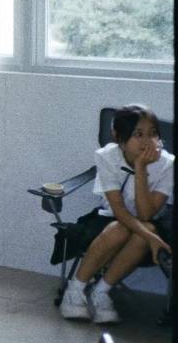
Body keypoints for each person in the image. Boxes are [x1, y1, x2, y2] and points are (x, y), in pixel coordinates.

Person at [59, 104, 173, 324]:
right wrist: (151, 237)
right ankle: (74, 292)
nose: (147, 141)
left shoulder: (168, 164)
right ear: (119, 138)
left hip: (149, 223)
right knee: (121, 229)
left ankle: (100, 292)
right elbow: (119, 211)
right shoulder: (107, 156)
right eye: (138, 134)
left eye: (153, 134)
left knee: (145, 230)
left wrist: (141, 168)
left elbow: (146, 215)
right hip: (109, 218)